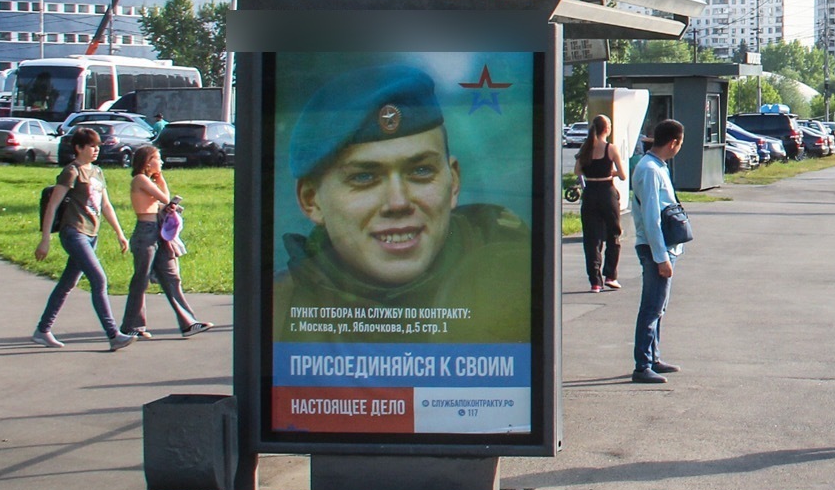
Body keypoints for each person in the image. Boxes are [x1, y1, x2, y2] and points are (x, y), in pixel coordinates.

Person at [269, 63, 530, 338]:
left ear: (453, 183)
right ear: (312, 201)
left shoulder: (516, 282)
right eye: (364, 177)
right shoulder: (280, 309)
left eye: (420, 171)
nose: (398, 202)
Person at [32, 127, 134, 350]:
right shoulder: (72, 171)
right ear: (79, 148)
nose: (96, 150)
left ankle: (42, 330)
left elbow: (106, 205)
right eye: (92, 146)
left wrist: (120, 233)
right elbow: (53, 205)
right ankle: (113, 334)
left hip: (92, 234)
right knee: (99, 280)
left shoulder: (97, 172)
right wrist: (45, 239)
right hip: (74, 233)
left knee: (67, 284)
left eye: (98, 146)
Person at [120, 144, 210, 339]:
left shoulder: (147, 180)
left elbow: (164, 201)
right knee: (141, 280)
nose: (160, 162)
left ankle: (188, 323)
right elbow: (165, 197)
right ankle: (131, 326)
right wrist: (160, 179)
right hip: (145, 234)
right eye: (157, 159)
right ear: (147, 162)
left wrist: (160, 179)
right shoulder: (140, 179)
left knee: (171, 277)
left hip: (157, 234)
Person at [629, 118, 687, 385]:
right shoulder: (651, 170)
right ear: (673, 142)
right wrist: (661, 256)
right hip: (656, 248)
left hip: (664, 246)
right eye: (680, 143)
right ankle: (642, 365)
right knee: (651, 307)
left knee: (659, 306)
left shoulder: (657, 166)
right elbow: (651, 216)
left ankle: (653, 357)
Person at [576, 114, 625, 292]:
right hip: (607, 192)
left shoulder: (586, 148)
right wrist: (610, 172)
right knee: (613, 233)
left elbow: (577, 170)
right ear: (607, 129)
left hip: (590, 193)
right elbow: (623, 174)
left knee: (591, 238)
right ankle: (611, 275)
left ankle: (595, 281)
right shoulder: (610, 148)